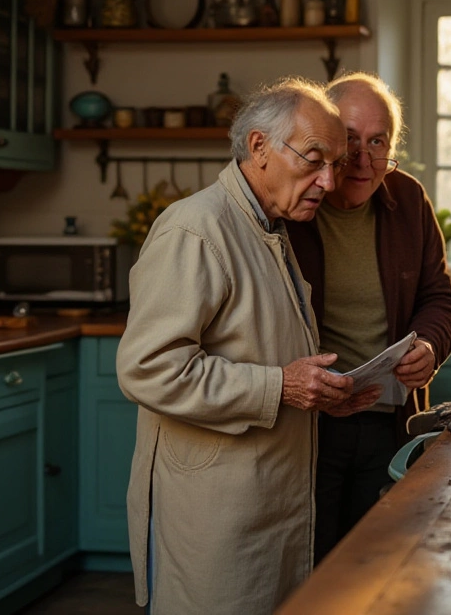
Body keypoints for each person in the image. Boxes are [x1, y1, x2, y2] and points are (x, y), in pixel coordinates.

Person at [116, 77, 383, 615]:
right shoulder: (196, 229)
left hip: (267, 502)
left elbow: (265, 353)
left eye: (334, 163)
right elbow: (148, 369)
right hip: (217, 512)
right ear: (259, 148)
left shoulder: (270, 227)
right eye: (314, 159)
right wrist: (281, 386)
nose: (329, 181)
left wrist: (322, 393)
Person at [286, 72, 451, 563]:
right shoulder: (291, 203)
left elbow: (439, 299)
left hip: (391, 422)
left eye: (378, 141)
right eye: (349, 140)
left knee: (381, 564)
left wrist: (428, 345)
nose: (363, 159)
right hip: (308, 429)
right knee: (313, 565)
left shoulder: (408, 199)